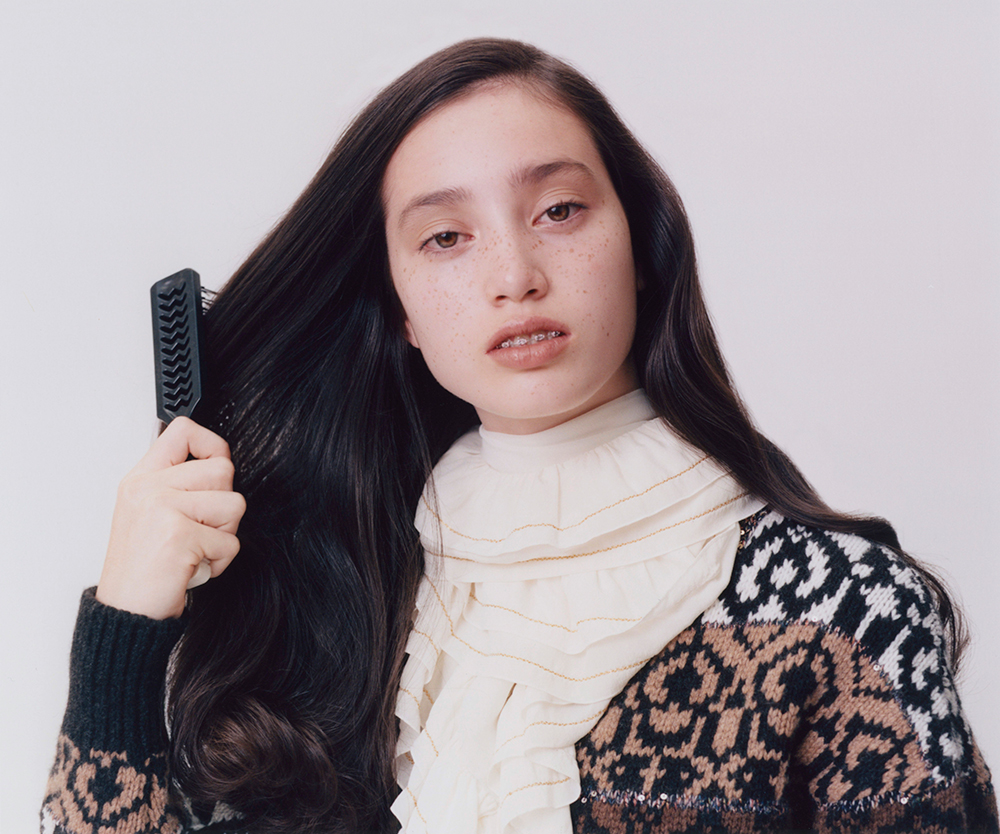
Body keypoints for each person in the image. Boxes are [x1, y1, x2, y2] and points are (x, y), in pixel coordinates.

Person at [41, 38, 996, 834]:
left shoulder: (839, 608)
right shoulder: (331, 605)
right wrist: (125, 626)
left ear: (642, 245)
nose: (514, 274)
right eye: (445, 237)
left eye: (559, 210)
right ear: (401, 309)